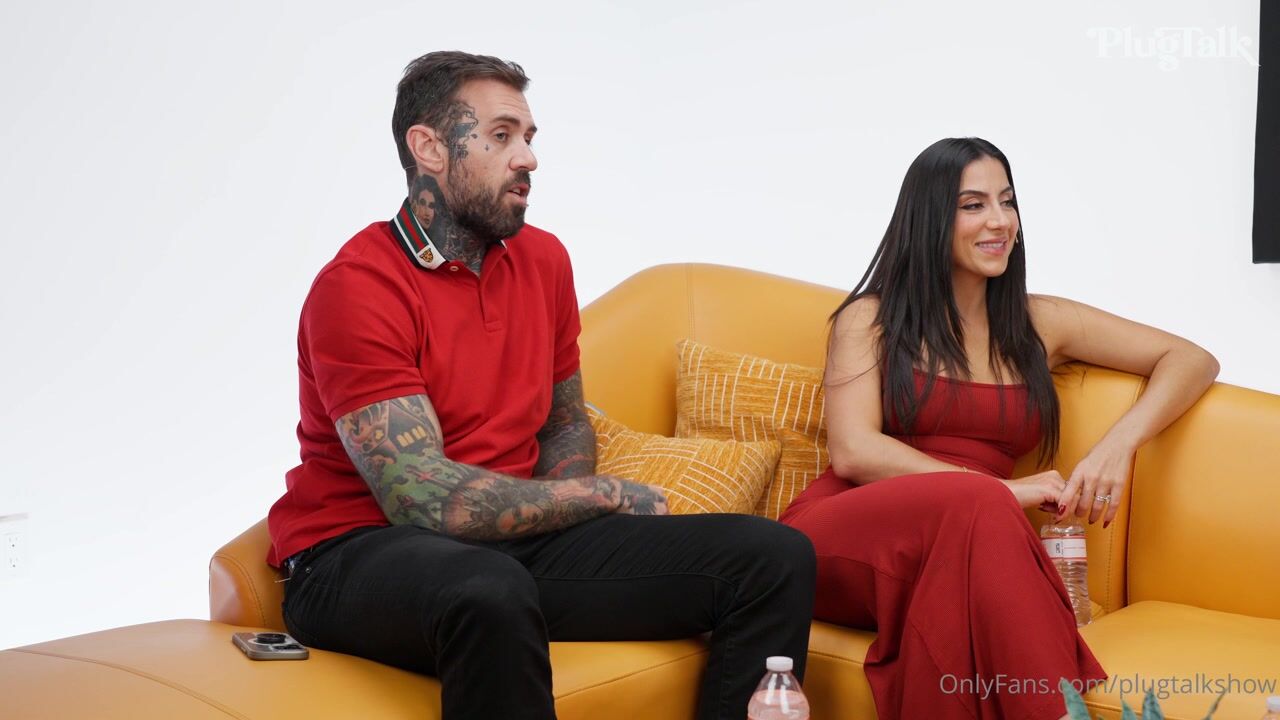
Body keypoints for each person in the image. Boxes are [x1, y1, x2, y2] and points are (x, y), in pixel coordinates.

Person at [265, 51, 815, 720]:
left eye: (528, 137)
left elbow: (564, 419)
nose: (527, 158)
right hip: (353, 555)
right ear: (429, 147)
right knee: (488, 588)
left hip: (507, 548)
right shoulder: (359, 287)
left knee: (773, 558)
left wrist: (564, 511)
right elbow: (418, 498)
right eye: (501, 136)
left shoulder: (543, 259)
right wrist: (598, 495)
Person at [779, 137, 1219, 720]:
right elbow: (855, 451)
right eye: (973, 205)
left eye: (1007, 201)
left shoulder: (1041, 322)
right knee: (981, 510)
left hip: (967, 541)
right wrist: (1001, 489)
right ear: (930, 218)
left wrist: (1116, 448)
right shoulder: (870, 318)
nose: (999, 221)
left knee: (971, 552)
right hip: (847, 533)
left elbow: (1191, 359)